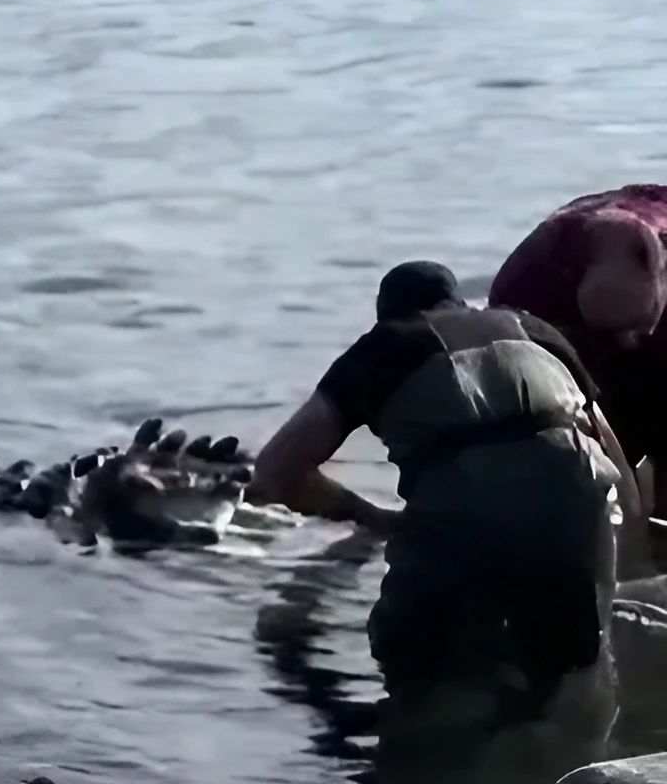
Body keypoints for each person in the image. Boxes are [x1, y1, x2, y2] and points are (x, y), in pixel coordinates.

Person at [245, 260, 643, 740]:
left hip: (463, 505)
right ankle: (565, 771)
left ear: (388, 315)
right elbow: (617, 465)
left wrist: (369, 515)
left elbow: (274, 473)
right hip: (581, 498)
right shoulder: (534, 331)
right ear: (458, 302)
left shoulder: (387, 346)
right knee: (573, 665)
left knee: (415, 662)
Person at [488, 186, 667, 552]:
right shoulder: (525, 284)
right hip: (569, 339)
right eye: (617, 329)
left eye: (636, 326)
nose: (628, 341)